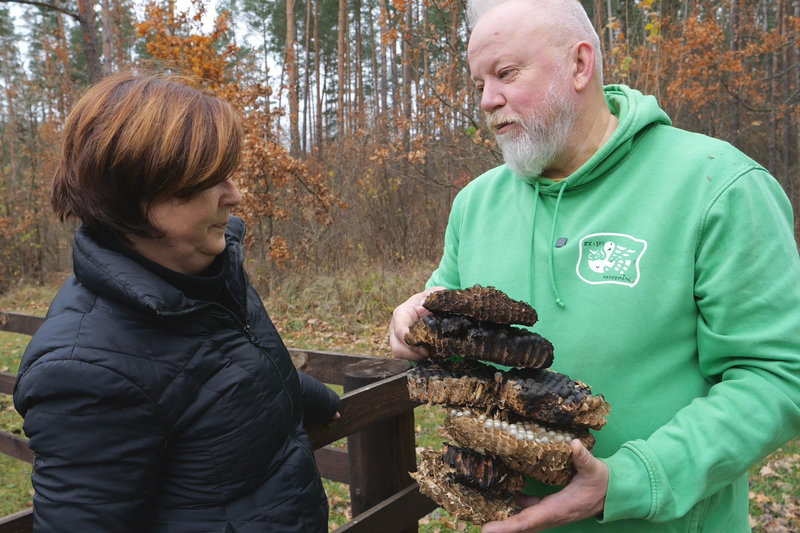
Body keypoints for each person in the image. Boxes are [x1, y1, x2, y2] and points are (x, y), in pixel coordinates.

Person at [389, 1, 800, 531]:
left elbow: (777, 374)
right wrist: (412, 322)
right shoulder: (476, 203)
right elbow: (444, 309)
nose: (489, 100)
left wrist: (632, 481)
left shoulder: (718, 185)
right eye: (479, 83)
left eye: (506, 74)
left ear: (581, 65)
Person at [13, 72, 340, 532]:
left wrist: (325, 402)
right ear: (136, 191)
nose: (235, 194)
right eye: (210, 179)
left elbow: (232, 370)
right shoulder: (83, 371)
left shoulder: (204, 276)